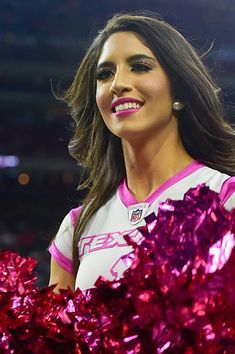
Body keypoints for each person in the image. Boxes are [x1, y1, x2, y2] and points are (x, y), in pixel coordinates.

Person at [48, 12, 235, 293]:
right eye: (104, 74)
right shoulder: (76, 227)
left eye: (139, 66)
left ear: (179, 92)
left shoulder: (225, 199)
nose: (117, 84)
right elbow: (52, 336)